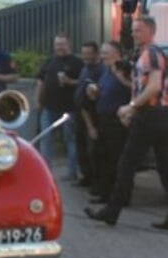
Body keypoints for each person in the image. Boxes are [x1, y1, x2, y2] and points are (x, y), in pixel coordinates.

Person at [85, 17, 168, 227]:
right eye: (133, 30)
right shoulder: (146, 54)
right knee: (165, 166)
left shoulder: (151, 54)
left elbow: (155, 87)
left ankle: (111, 212)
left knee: (126, 163)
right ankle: (112, 211)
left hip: (152, 115)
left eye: (138, 31)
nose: (133, 34)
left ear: (150, 31)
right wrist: (133, 107)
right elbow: (142, 87)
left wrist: (131, 107)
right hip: (156, 114)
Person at [85, 42, 131, 204]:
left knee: (116, 159)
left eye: (106, 53)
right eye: (102, 53)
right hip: (103, 119)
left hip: (117, 121)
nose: (102, 56)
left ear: (117, 54)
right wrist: (95, 91)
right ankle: (106, 193)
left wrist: (121, 77)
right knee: (103, 157)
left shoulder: (124, 69)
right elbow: (104, 90)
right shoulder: (106, 71)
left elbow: (134, 88)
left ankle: (120, 197)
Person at [36, 33, 85, 181]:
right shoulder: (50, 61)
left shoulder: (77, 62)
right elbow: (40, 81)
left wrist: (70, 81)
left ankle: (72, 172)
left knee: (70, 140)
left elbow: (83, 83)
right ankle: (45, 172)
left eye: (62, 44)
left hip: (69, 109)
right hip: (49, 107)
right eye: (57, 44)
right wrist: (38, 101)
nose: (59, 47)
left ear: (69, 44)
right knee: (46, 139)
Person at [73, 41, 104, 187]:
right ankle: (86, 177)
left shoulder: (100, 70)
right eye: (83, 53)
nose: (85, 56)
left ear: (96, 54)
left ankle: (96, 181)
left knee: (94, 151)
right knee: (82, 148)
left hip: (92, 116)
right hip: (79, 115)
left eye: (88, 54)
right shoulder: (85, 68)